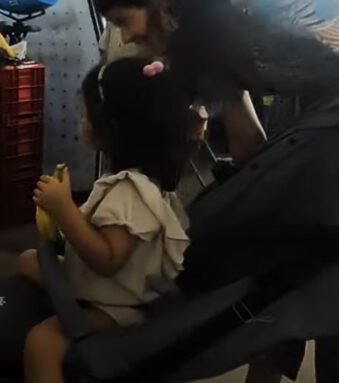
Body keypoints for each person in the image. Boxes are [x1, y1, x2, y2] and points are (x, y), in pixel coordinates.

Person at [95, 0, 339, 383]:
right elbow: (248, 145)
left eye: (123, 21)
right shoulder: (205, 53)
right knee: (275, 264)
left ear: (161, 2)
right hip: (323, 114)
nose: (125, 37)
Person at [15, 57, 201, 383]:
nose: (81, 121)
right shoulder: (137, 180)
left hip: (120, 304)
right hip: (111, 282)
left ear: (113, 127)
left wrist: (64, 210)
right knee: (28, 261)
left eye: (85, 115)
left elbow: (107, 259)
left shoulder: (130, 192)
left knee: (41, 344)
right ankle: (68, 291)